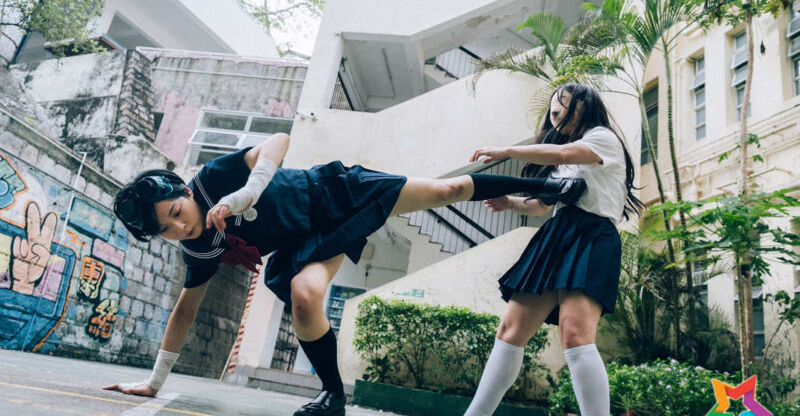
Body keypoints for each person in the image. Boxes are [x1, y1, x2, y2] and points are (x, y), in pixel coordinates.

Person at [102, 131, 587, 416]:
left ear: (183, 192)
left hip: (333, 192)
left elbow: (278, 141)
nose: (178, 227)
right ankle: (332, 395)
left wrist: (249, 191)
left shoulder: (212, 180)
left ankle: (552, 189)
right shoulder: (199, 248)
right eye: (165, 230)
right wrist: (154, 383)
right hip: (305, 242)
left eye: (176, 212)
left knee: (448, 190)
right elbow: (185, 311)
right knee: (304, 294)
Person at [463, 82, 644, 416]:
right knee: (510, 331)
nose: (554, 113)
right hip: (559, 232)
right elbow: (543, 206)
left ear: (582, 105)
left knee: (575, 336)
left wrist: (508, 151)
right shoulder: (568, 154)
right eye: (552, 109)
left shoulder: (601, 138)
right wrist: (509, 203)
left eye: (562, 105)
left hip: (593, 235)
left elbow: (562, 154)